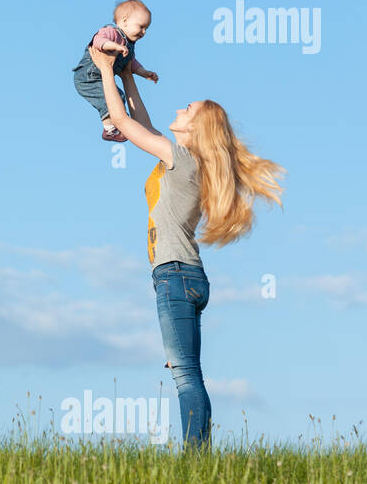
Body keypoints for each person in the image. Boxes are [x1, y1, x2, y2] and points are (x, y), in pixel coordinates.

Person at [88, 45, 284, 450]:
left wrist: (106, 70)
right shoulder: (182, 159)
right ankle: (202, 453)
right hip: (185, 276)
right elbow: (142, 124)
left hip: (175, 276)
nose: (181, 108)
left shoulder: (180, 159)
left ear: (196, 129)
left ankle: (196, 459)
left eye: (189, 108)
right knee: (189, 372)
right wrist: (127, 77)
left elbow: (123, 121)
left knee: (186, 376)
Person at [72, 0, 158, 142]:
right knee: (113, 98)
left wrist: (144, 73)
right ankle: (110, 129)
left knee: (118, 97)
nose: (143, 32)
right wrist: (115, 46)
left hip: (100, 76)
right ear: (125, 21)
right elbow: (98, 41)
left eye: (146, 29)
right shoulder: (112, 32)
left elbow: (132, 64)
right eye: (141, 26)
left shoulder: (129, 45)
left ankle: (115, 126)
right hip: (88, 77)